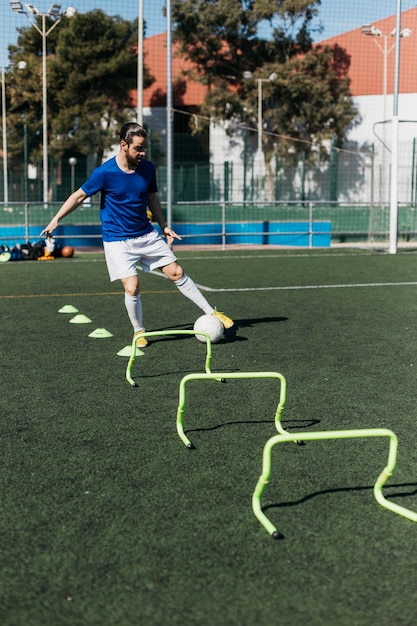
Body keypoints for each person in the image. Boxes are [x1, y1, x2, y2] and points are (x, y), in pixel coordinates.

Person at [41, 122, 233, 347]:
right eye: (138, 148)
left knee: (176, 272)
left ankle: (212, 312)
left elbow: (152, 198)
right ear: (124, 145)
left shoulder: (148, 169)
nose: (142, 153)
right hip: (117, 240)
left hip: (145, 234)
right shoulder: (105, 172)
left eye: (144, 149)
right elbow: (78, 196)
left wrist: (164, 226)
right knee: (132, 286)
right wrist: (56, 218)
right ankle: (139, 331)